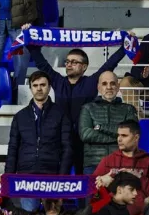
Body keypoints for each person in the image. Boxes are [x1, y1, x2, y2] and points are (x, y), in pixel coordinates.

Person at [26, 29, 129, 174]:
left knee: (83, 179)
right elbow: (42, 64)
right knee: (60, 177)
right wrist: (29, 41)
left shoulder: (91, 82)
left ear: (84, 67)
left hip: (84, 142)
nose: (69, 64)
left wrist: (126, 45)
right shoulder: (58, 81)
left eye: (74, 62)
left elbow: (110, 64)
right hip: (61, 140)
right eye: (67, 61)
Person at [91, 120, 149, 215]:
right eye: (118, 135)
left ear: (136, 137)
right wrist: (103, 184)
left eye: (124, 135)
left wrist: (139, 177)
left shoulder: (148, 161)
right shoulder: (108, 161)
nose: (119, 139)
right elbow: (92, 192)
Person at [6, 71, 73, 176]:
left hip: (52, 172)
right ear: (30, 88)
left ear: (49, 87)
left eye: (42, 85)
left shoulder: (61, 114)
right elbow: (12, 149)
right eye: (35, 85)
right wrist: (8, 177)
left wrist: (62, 176)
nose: (39, 89)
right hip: (25, 173)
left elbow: (67, 147)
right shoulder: (20, 116)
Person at [80, 72, 139, 174]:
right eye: (104, 84)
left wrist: (101, 127)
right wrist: (120, 136)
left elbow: (131, 134)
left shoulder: (129, 109)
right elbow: (85, 134)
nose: (109, 87)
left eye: (112, 83)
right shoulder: (87, 108)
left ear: (118, 87)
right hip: (94, 164)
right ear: (98, 88)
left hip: (122, 163)